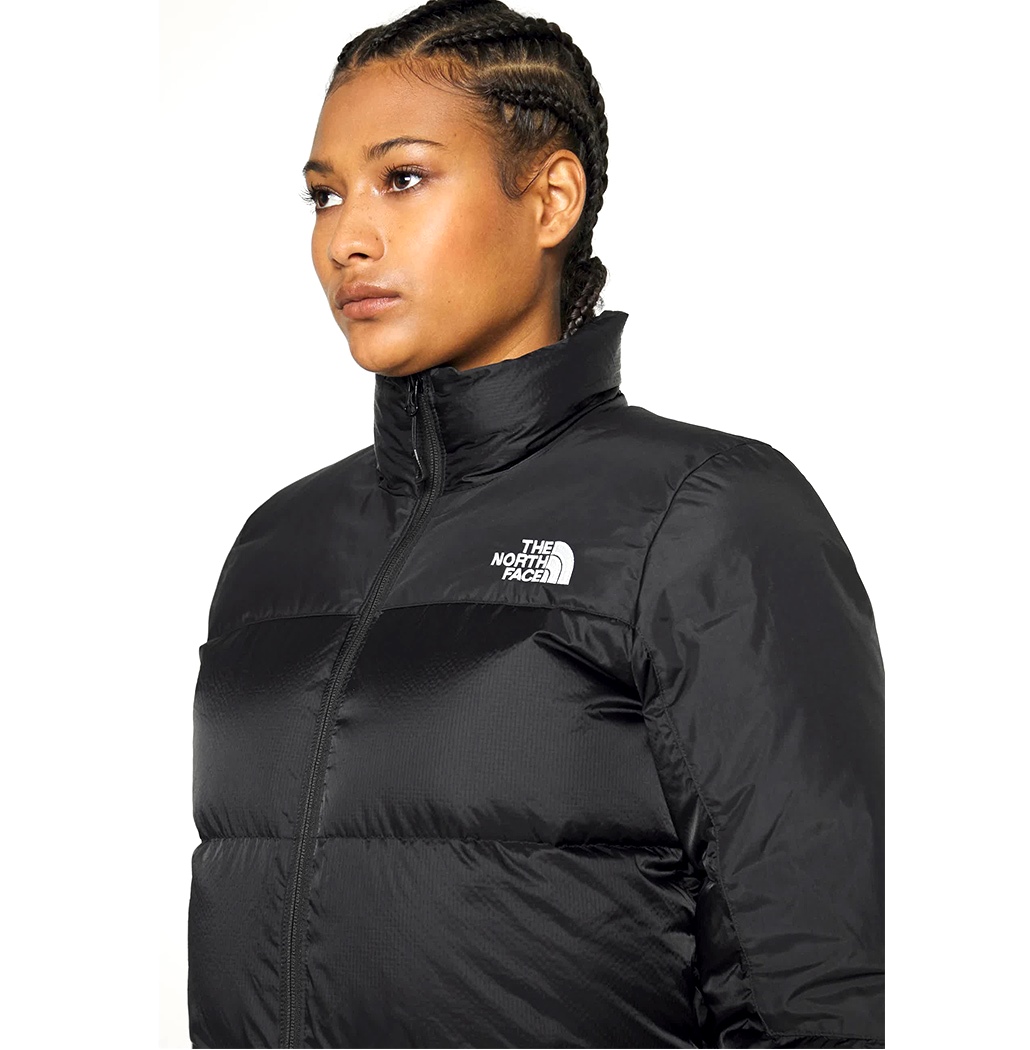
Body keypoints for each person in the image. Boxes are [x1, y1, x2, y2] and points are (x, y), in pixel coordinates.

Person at [187, 1, 885, 1047]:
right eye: (325, 195)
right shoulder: (275, 548)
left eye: (403, 178)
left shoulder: (704, 514)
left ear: (552, 198)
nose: (346, 239)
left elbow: (814, 989)